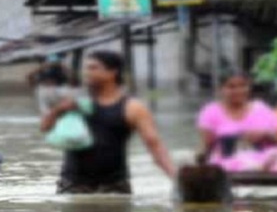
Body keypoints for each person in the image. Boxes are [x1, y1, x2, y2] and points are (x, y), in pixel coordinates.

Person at [41, 50, 176, 194]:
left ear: (112, 72)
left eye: (93, 68)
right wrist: (57, 111)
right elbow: (45, 128)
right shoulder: (74, 103)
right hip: (72, 186)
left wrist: (177, 179)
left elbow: (155, 146)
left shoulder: (133, 108)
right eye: (86, 68)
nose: (87, 72)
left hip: (114, 187)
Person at [197, 74, 277, 172]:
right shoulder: (211, 111)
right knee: (248, 166)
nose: (238, 91)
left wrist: (265, 134)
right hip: (228, 158)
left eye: (242, 86)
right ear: (221, 89)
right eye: (231, 87)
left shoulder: (261, 109)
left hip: (264, 155)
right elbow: (208, 144)